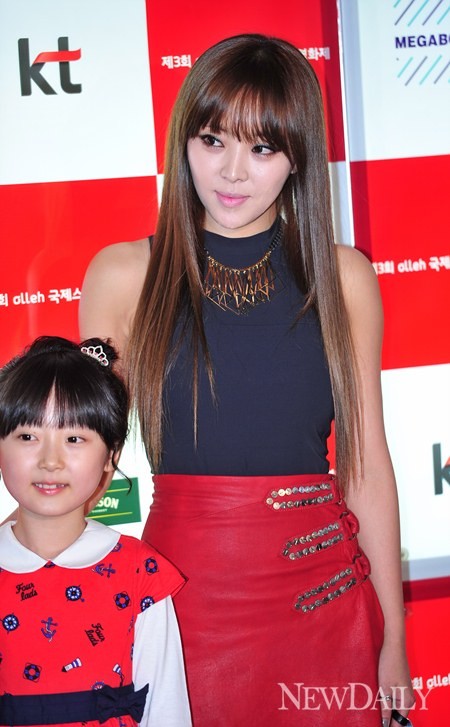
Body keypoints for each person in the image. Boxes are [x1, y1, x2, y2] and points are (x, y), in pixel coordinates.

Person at [80, 34, 414, 727]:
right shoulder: (123, 275)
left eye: (262, 148)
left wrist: (394, 643)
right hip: (180, 601)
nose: (233, 172)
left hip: (323, 598)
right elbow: (82, 452)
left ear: (297, 156)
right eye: (213, 140)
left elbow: (365, 465)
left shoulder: (343, 276)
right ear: (184, 141)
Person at [0, 336, 191, 727]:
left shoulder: (140, 572)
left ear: (111, 456)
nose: (50, 460)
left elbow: (167, 710)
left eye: (74, 439)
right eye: (27, 437)